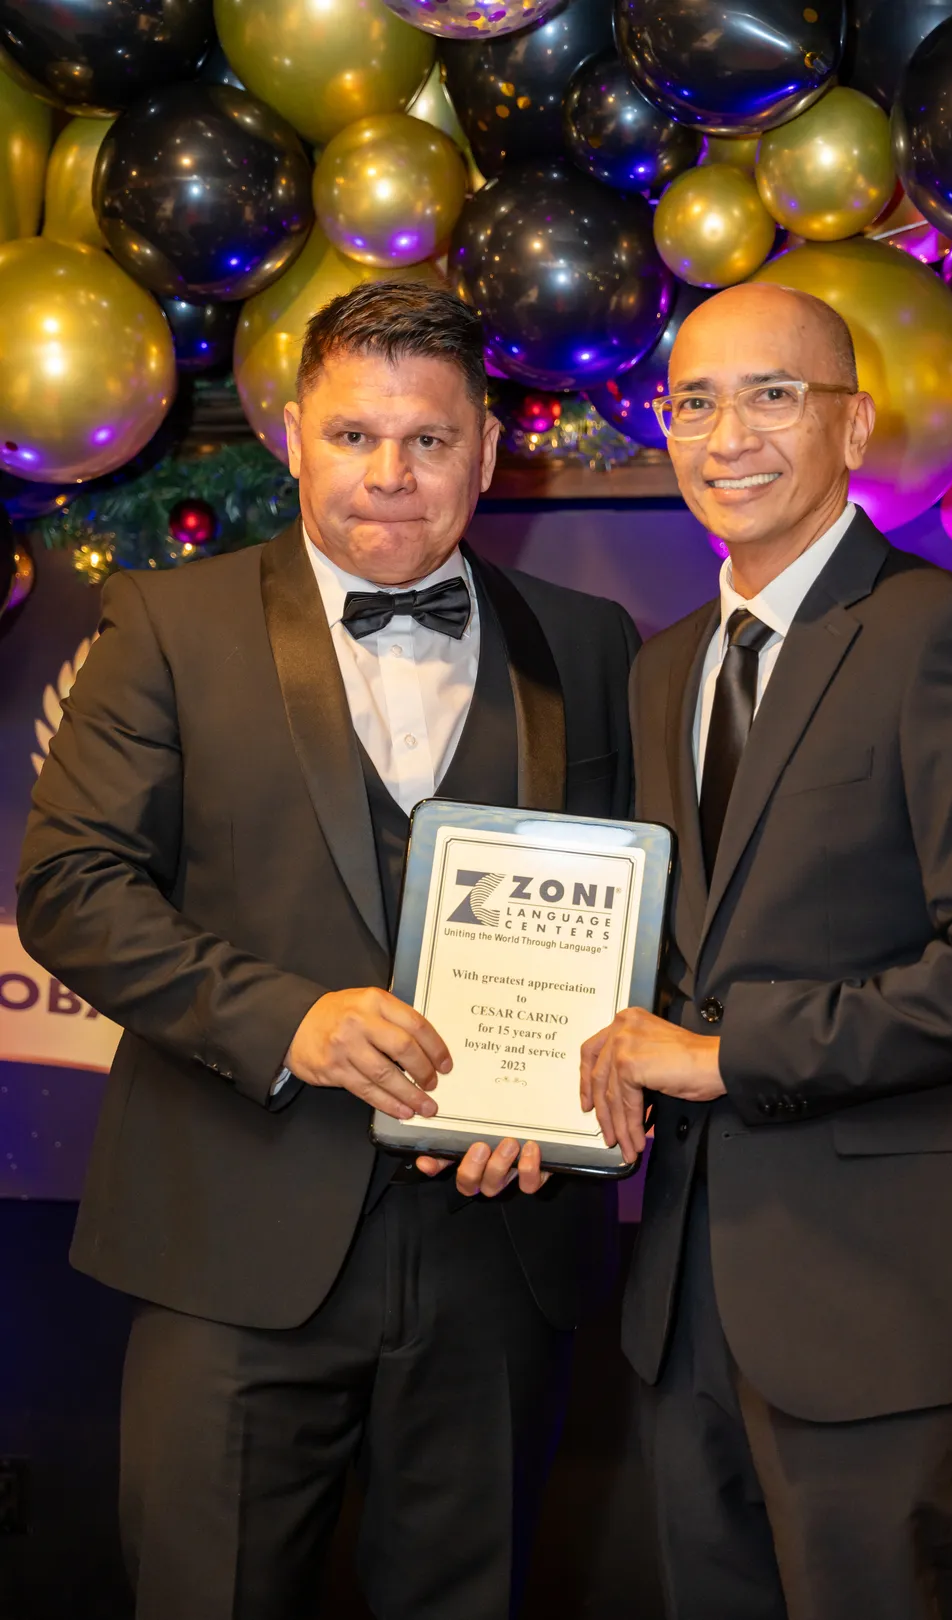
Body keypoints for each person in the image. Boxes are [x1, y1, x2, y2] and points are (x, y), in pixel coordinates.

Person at [17, 281, 639, 1620]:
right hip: (231, 1241)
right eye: (356, 435)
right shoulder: (168, 627)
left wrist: (570, 1094)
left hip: (501, 1250)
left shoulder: (586, 648)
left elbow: (637, 924)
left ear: (488, 446)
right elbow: (71, 885)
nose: (392, 478)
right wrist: (285, 1021)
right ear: (296, 433)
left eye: (429, 440)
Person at [580, 282, 952, 1620]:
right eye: (695, 401)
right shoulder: (661, 664)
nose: (727, 434)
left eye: (772, 395)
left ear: (854, 424)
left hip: (874, 1293)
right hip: (682, 1290)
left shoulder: (938, 636)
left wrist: (727, 1054)